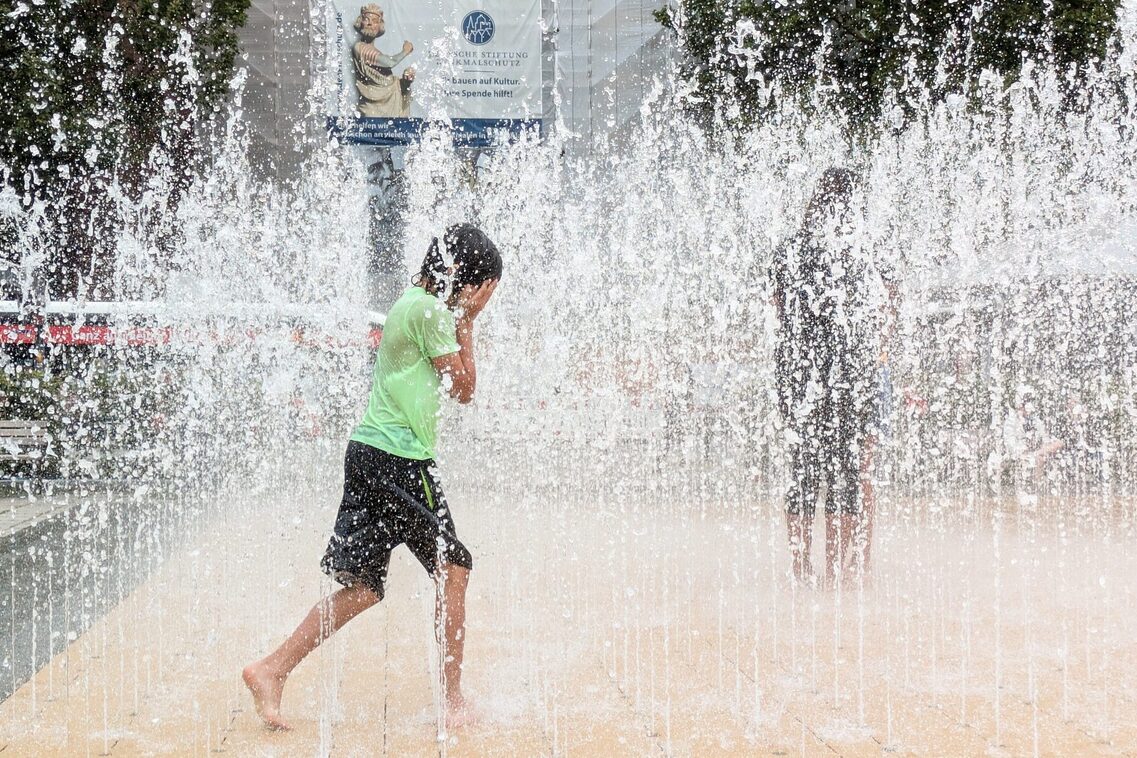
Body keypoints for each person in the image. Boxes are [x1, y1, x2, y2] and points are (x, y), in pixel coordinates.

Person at [242, 224, 502, 731]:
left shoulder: (411, 303)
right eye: (483, 287)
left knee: (364, 587)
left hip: (369, 455)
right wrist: (469, 321)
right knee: (455, 568)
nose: (480, 298)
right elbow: (464, 389)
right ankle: (453, 703)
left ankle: (271, 669)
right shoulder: (431, 311)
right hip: (399, 460)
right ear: (465, 278)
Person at [770, 168, 887, 588]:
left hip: (799, 375)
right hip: (848, 375)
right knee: (844, 474)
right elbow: (876, 311)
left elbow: (777, 309)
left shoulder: (789, 249)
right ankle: (836, 570)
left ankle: (801, 569)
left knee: (802, 471)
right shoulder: (860, 252)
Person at [352, 4, 415, 117]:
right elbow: (389, 63)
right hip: (372, 109)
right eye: (366, 19)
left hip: (390, 103)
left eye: (375, 21)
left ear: (380, 26)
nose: (370, 23)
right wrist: (405, 51)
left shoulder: (373, 50)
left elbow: (385, 81)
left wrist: (405, 82)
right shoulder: (360, 48)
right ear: (360, 22)